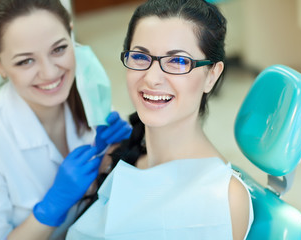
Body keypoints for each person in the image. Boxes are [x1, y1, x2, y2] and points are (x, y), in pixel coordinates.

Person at [66, 0, 254, 239]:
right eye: (140, 57)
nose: (152, 78)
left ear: (211, 76)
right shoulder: (118, 158)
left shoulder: (224, 197)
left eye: (178, 61)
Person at [0, 0, 131, 239]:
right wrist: (50, 209)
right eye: (26, 61)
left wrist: (117, 153)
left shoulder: (89, 94)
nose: (50, 73)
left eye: (58, 49)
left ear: (71, 35)